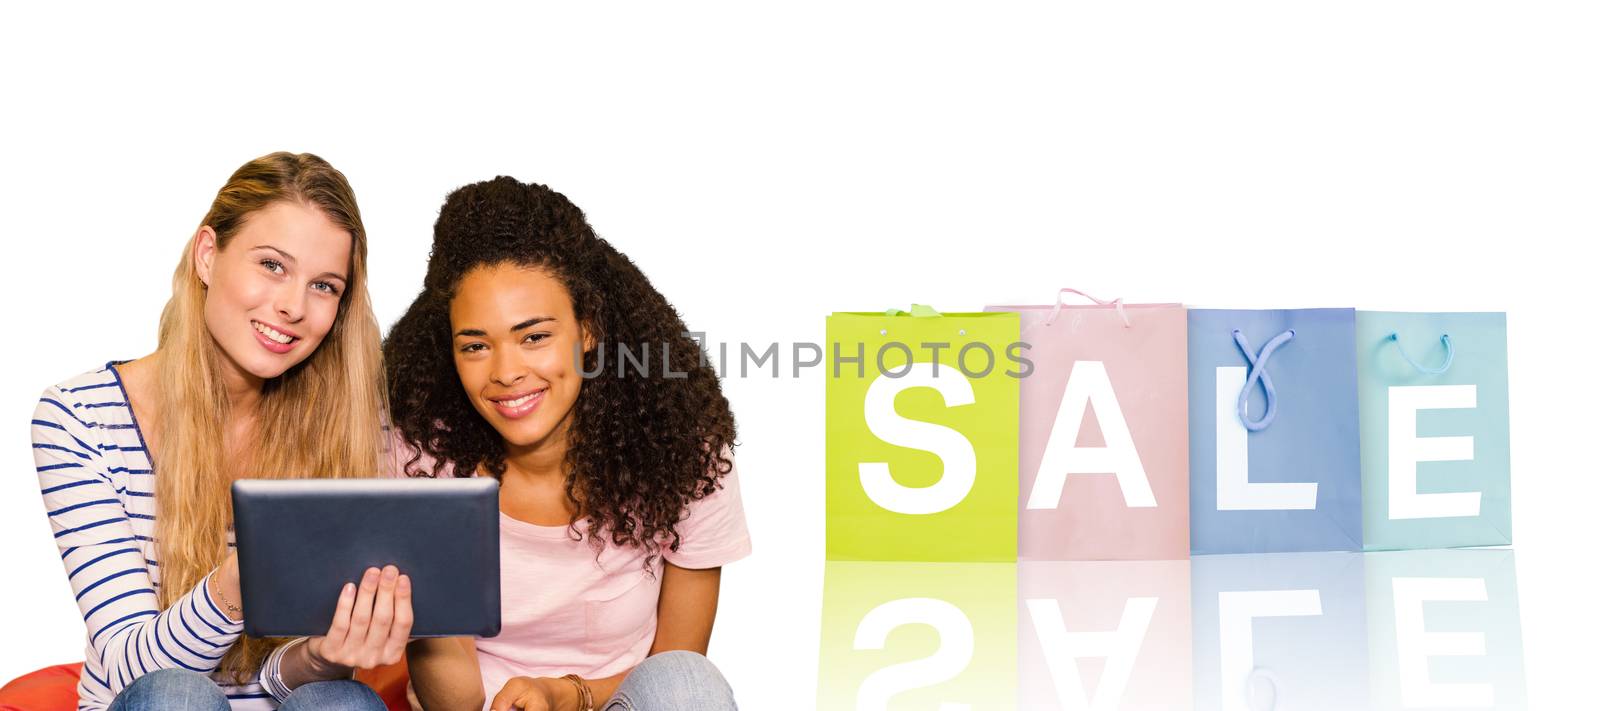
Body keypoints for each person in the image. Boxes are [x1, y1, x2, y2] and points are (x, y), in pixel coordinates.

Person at [31, 152, 412, 711]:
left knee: (341, 699)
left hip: (291, 702)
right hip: (155, 699)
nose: (292, 307)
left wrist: (326, 653)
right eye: (272, 265)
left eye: (324, 286)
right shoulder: (80, 417)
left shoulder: (355, 424)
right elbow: (128, 669)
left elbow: (287, 680)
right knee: (175, 695)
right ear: (207, 256)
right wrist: (238, 582)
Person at [385, 177, 749, 711]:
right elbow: (453, 701)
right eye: (476, 346)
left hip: (609, 703)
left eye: (534, 337)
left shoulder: (683, 456)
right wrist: (425, 617)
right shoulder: (418, 461)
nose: (507, 372)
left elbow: (678, 665)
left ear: (587, 331)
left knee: (689, 681)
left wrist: (565, 695)